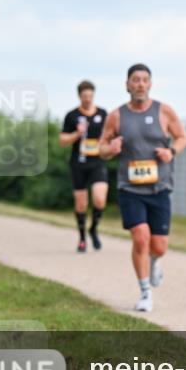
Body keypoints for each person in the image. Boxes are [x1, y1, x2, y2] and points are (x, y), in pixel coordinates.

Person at [100, 64, 186, 312]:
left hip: (160, 187)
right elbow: (102, 148)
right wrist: (111, 148)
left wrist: (171, 151)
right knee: (140, 237)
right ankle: (145, 292)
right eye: (135, 80)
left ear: (150, 84)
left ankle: (154, 261)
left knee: (159, 246)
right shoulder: (116, 116)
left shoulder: (164, 111)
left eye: (144, 80)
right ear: (127, 85)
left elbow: (183, 137)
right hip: (130, 188)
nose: (140, 84)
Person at [60, 80, 109, 252]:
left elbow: (109, 135)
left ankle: (93, 228)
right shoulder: (72, 115)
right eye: (84, 96)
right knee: (81, 204)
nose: (87, 99)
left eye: (90, 96)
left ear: (93, 95)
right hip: (78, 164)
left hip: (97, 162)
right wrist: (77, 133)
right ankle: (82, 238)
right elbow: (62, 140)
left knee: (100, 199)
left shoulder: (102, 114)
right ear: (79, 96)